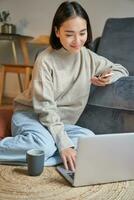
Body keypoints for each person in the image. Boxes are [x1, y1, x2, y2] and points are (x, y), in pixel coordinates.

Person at [0, 1, 128, 171]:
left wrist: (107, 77)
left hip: (59, 124)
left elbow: (121, 69)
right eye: (69, 34)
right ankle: (39, 151)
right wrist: (64, 145)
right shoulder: (45, 60)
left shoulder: (88, 57)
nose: (77, 41)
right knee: (45, 146)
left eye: (82, 33)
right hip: (32, 115)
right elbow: (45, 108)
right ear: (57, 32)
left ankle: (40, 157)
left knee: (88, 139)